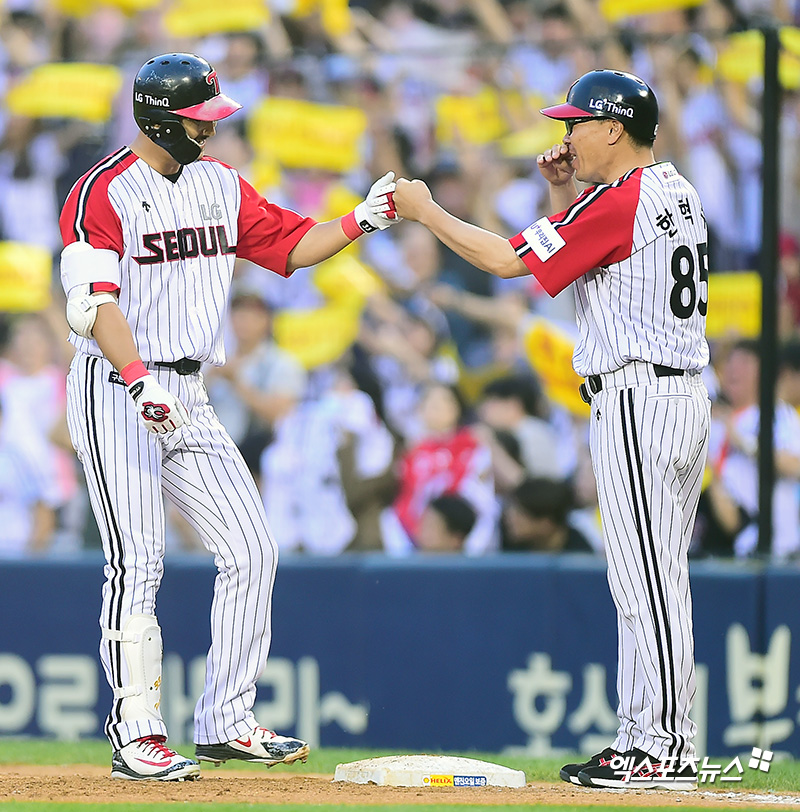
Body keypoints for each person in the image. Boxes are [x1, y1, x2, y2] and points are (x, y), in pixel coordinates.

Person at [58, 53, 400, 781]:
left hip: (190, 387)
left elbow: (291, 246)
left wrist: (360, 219)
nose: (210, 131)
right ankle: (136, 732)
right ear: (158, 120)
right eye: (198, 120)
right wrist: (137, 379)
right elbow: (92, 303)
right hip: (117, 385)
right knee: (138, 560)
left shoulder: (219, 183)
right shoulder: (103, 189)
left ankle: (225, 721)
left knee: (251, 549)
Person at [394, 69, 710, 790]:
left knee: (646, 583)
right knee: (655, 579)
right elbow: (582, 261)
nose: (565, 135)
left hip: (639, 397)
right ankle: (642, 738)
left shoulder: (622, 199)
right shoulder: (673, 190)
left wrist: (427, 210)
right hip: (676, 394)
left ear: (613, 129)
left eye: (576, 123)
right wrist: (563, 195)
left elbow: (507, 260)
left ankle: (665, 745)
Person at [502, 477, 594, 553]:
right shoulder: (509, 544)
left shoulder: (580, 553)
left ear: (546, 523)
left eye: (520, 513)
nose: (509, 518)